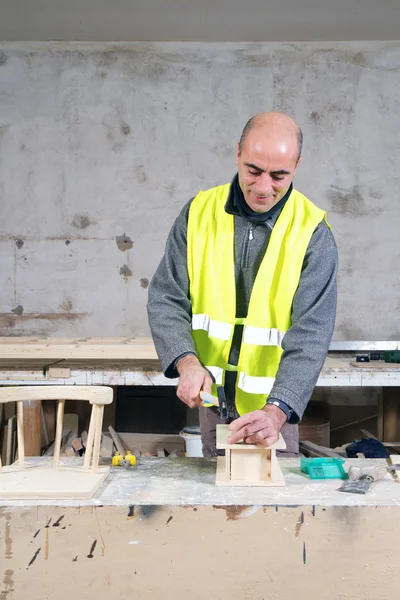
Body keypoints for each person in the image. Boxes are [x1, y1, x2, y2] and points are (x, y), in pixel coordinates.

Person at [147, 111, 338, 457]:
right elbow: (165, 298)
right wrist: (186, 362)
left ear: (297, 165)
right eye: (253, 170)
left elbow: (311, 334)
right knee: (218, 507)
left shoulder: (312, 233)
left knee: (273, 509)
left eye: (279, 175)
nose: (263, 187)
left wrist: (278, 410)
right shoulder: (198, 214)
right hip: (212, 405)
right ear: (237, 154)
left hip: (272, 413)